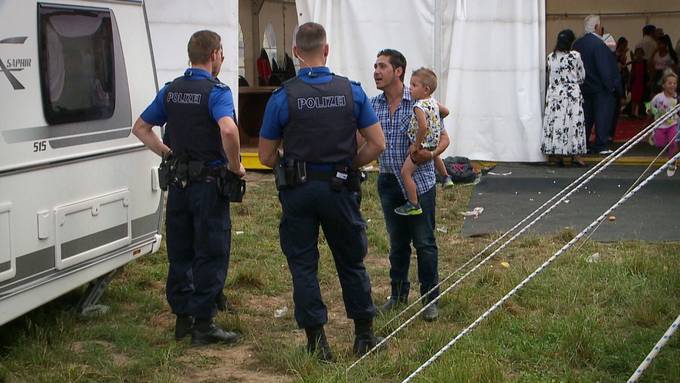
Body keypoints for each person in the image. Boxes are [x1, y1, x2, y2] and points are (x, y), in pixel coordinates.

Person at [258, 22, 386, 362]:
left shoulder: (282, 96)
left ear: (297, 53)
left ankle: (317, 342)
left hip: (298, 191)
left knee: (303, 265)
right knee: (351, 261)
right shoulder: (352, 92)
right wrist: (350, 164)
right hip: (341, 188)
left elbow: (266, 155)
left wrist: (289, 163)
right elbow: (377, 143)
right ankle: (364, 335)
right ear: (326, 50)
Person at [132, 30, 245, 346]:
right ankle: (204, 324)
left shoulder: (171, 91)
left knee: (180, 249)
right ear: (214, 55)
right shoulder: (216, 92)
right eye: (222, 54)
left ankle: (182, 318)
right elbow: (228, 129)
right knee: (210, 250)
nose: (222, 59)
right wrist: (235, 166)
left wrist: (167, 153)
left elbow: (140, 128)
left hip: (178, 185)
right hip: (209, 185)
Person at [371, 49, 450, 322]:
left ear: (398, 71)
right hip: (389, 182)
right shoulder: (374, 105)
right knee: (397, 244)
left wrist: (429, 154)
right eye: (375, 66)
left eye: (382, 66)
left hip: (420, 182)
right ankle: (398, 296)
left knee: (425, 243)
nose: (376, 72)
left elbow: (445, 139)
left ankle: (430, 300)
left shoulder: (420, 101)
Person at [396, 67, 451, 215]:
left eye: (414, 85)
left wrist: (416, 145)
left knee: (405, 173)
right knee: (435, 156)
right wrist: (437, 116)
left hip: (422, 144)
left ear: (426, 89)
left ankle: (413, 203)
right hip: (433, 142)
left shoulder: (418, 106)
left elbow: (422, 127)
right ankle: (446, 177)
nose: (410, 88)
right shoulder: (433, 102)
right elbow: (446, 111)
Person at [573, 14, 622, 155]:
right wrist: (612, 86)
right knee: (602, 116)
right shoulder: (600, 44)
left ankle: (584, 143)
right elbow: (605, 68)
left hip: (583, 87)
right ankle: (600, 145)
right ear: (596, 27)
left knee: (585, 117)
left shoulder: (577, 44)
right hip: (600, 88)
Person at [541, 29, 587, 167]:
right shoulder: (575, 56)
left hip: (555, 95)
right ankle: (575, 154)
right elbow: (582, 76)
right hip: (571, 94)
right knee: (574, 123)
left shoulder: (550, 57)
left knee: (556, 123)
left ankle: (556, 154)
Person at [648, 71, 679, 177]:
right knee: (659, 144)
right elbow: (650, 106)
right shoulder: (658, 97)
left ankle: (672, 162)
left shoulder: (677, 99)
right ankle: (653, 136)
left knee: (673, 142)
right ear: (663, 85)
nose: (672, 85)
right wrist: (652, 111)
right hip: (660, 125)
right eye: (669, 83)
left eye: (674, 83)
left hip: (672, 124)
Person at [630, 47, 649, 118]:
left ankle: (637, 112)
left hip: (642, 82)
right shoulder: (634, 63)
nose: (638, 55)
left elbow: (647, 72)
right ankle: (632, 112)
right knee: (634, 98)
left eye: (640, 53)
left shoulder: (645, 62)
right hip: (635, 81)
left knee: (640, 98)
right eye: (637, 53)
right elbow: (632, 72)